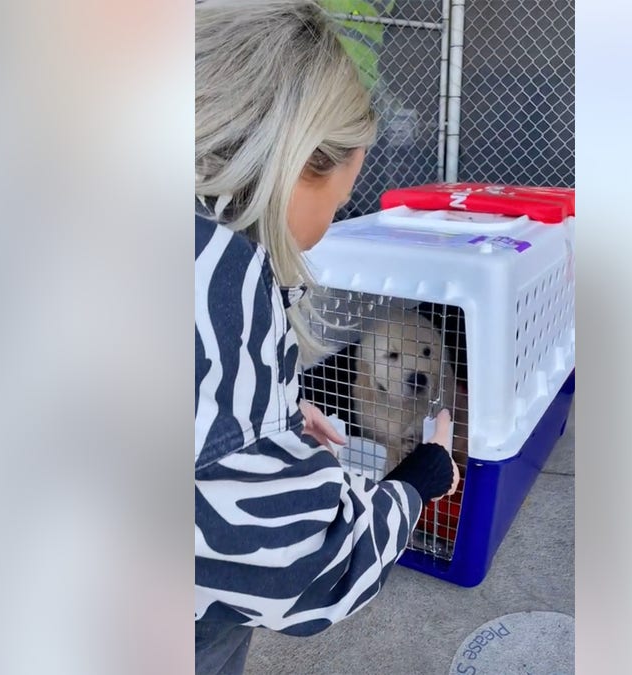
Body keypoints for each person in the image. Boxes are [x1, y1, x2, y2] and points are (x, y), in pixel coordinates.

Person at [194, 1, 461, 673]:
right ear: (296, 162)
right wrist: (422, 477)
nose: (328, 229)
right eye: (340, 205)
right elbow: (310, 567)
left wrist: (264, 427)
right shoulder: (220, 282)